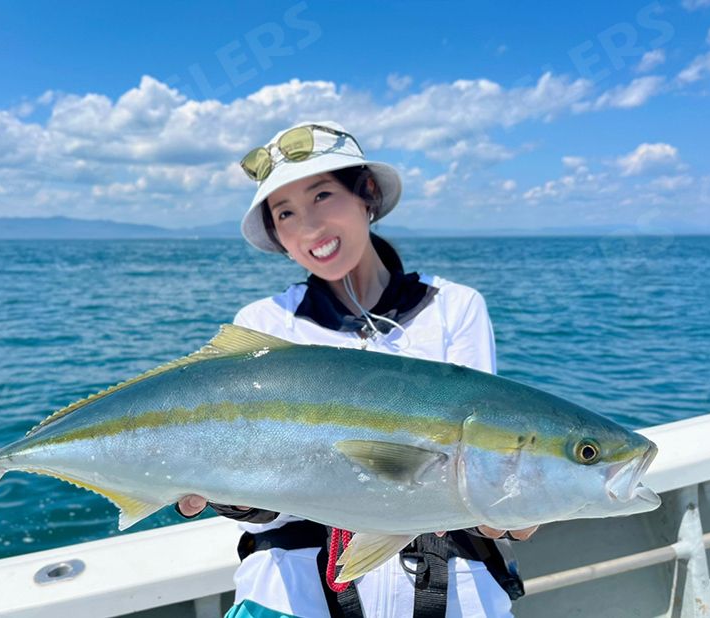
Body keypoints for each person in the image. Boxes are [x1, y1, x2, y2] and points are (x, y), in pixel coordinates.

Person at [177, 120, 538, 618]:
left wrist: (505, 510)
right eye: (285, 213)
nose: (309, 228)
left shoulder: (454, 307)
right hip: (291, 593)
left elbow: (476, 462)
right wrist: (233, 497)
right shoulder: (263, 325)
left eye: (322, 196)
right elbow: (260, 511)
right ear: (277, 235)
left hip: (451, 590)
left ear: (366, 193)